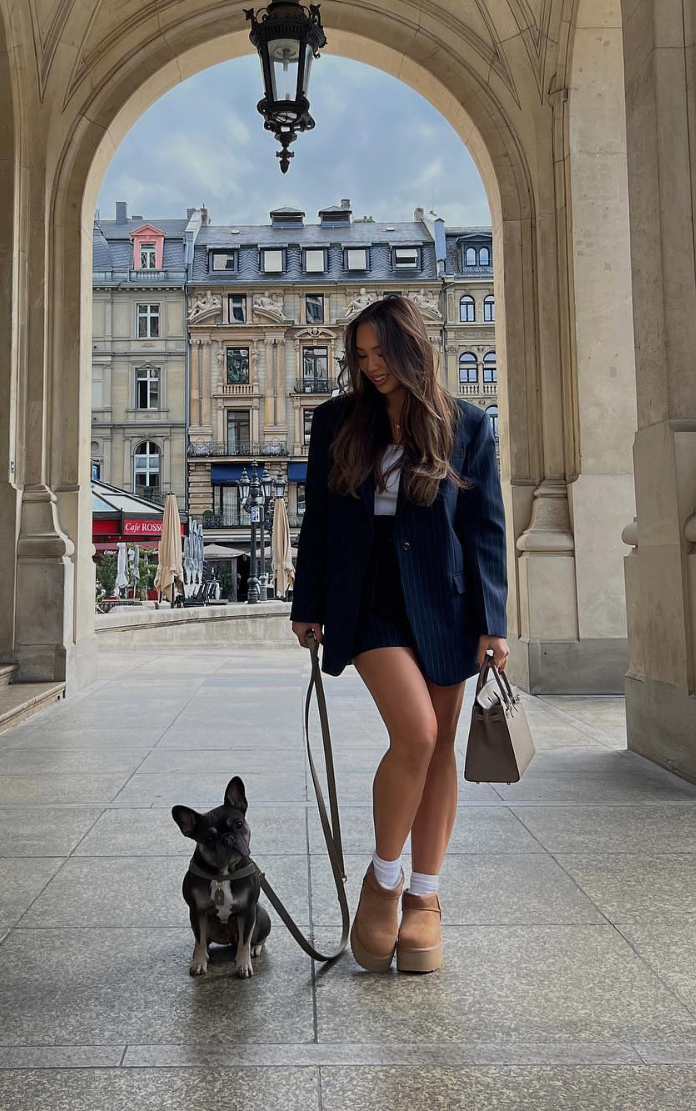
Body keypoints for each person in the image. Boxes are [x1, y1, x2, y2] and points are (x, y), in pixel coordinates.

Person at [290, 293, 508, 975]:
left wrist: (495, 623)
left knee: (442, 748)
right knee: (415, 734)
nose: (372, 366)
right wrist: (308, 599)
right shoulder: (336, 421)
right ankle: (383, 879)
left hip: (446, 601)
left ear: (411, 349)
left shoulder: (465, 423)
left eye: (382, 352)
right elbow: (320, 520)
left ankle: (426, 897)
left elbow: (485, 529)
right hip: (370, 599)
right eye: (360, 355)